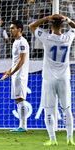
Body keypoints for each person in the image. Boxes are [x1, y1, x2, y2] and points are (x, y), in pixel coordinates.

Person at [29, 14, 75, 146]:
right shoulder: (68, 37)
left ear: (50, 26)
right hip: (64, 78)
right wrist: (68, 20)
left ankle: (53, 139)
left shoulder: (46, 38)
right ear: (62, 26)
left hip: (49, 78)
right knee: (66, 108)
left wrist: (46, 18)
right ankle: (70, 138)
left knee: (48, 109)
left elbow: (31, 26)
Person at [0, 20, 29, 133]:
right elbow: (16, 60)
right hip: (16, 74)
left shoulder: (21, 42)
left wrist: (11, 73)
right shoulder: (16, 42)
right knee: (18, 100)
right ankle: (21, 125)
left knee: (21, 99)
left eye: (12, 28)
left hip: (20, 75)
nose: (10, 30)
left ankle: (23, 126)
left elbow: (21, 61)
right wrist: (8, 71)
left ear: (19, 29)